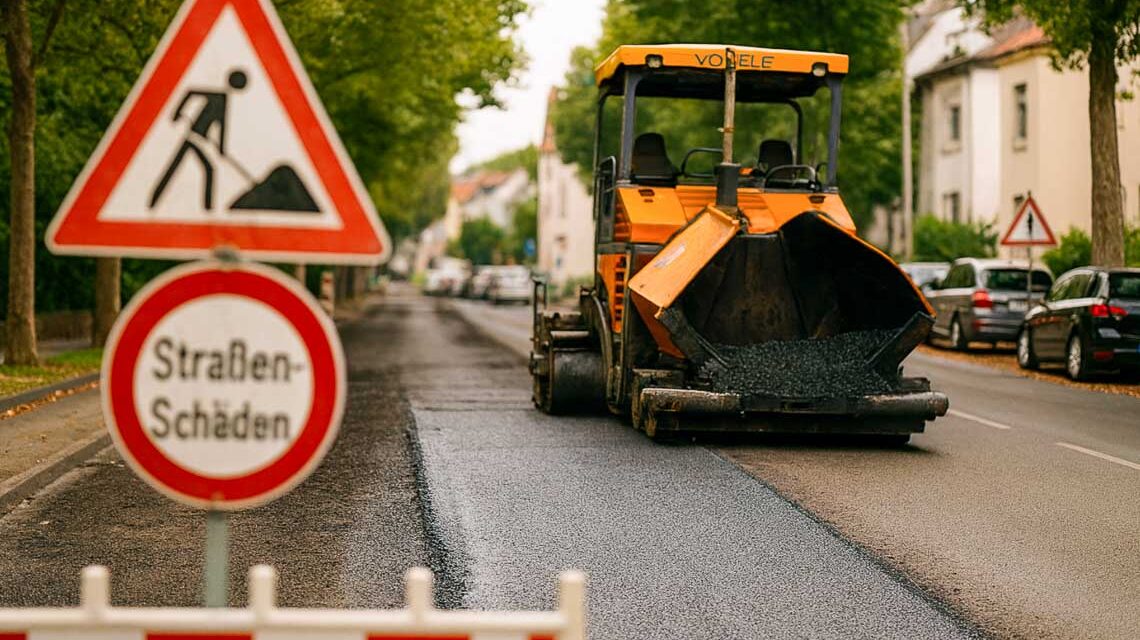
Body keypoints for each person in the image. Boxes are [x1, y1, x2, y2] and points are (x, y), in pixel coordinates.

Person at [149, 69, 248, 211]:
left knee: (177, 168)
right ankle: (207, 210)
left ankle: (154, 201)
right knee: (205, 170)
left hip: (198, 139)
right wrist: (176, 113)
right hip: (193, 137)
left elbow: (221, 125)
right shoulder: (217, 96)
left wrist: (221, 148)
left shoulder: (223, 99)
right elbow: (191, 92)